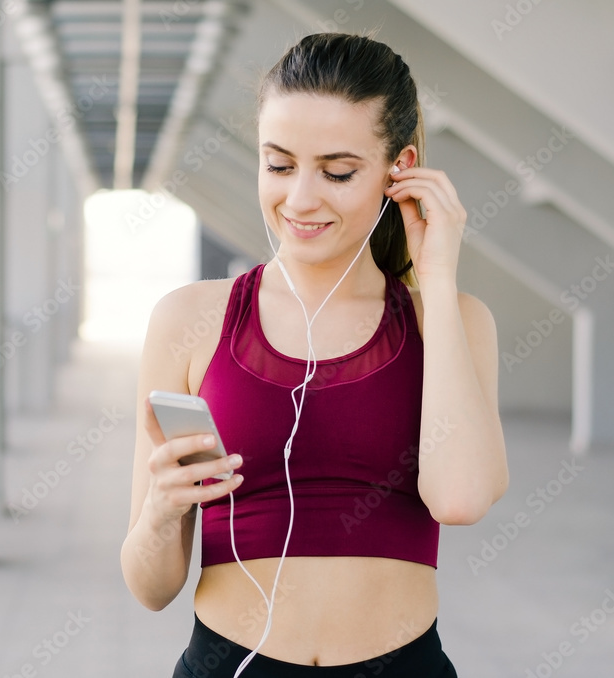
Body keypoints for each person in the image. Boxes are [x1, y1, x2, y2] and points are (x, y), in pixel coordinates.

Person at [120, 32, 509, 678]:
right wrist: (163, 511)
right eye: (278, 165)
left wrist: (435, 277)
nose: (300, 199)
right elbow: (150, 587)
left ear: (400, 168)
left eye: (337, 172)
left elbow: (461, 498)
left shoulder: (453, 321)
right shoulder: (188, 321)